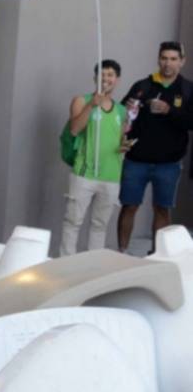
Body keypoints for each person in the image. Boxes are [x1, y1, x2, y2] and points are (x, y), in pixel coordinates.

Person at [118, 41, 193, 251]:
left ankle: (157, 254)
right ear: (158, 59)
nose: (167, 63)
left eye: (173, 59)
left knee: (162, 209)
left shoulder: (188, 89)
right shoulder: (143, 85)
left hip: (169, 163)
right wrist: (131, 109)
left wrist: (169, 111)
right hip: (136, 160)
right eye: (164, 58)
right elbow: (123, 113)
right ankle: (122, 253)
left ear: (182, 62)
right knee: (129, 206)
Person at [61, 60, 128, 255]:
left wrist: (124, 146)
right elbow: (74, 129)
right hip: (85, 173)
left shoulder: (121, 110)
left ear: (117, 80)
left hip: (111, 176)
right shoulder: (81, 101)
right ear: (95, 78)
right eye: (102, 74)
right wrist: (92, 104)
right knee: (73, 221)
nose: (106, 79)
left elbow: (119, 141)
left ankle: (93, 266)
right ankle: (66, 265)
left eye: (110, 75)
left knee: (100, 225)